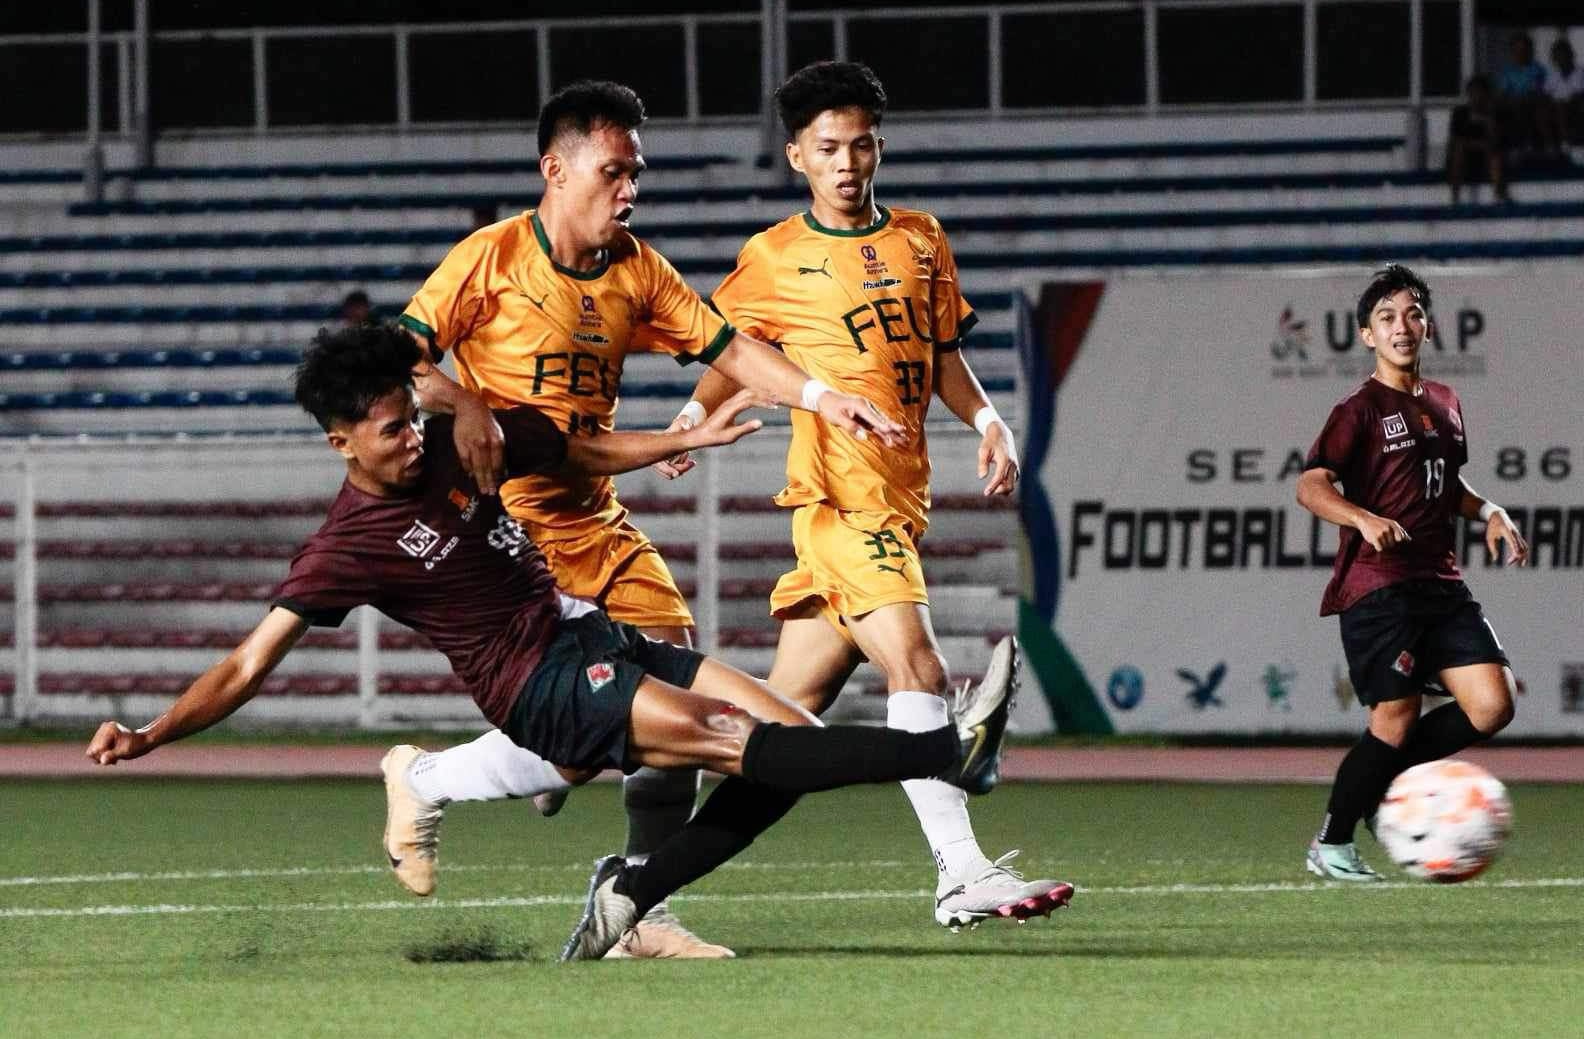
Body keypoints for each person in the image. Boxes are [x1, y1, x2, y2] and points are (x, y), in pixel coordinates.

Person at [85, 322, 1008, 965]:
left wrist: (688, 436)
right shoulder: (344, 546)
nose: (411, 438)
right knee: (735, 737)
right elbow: (248, 664)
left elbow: (577, 453)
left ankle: (630, 896)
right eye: (389, 430)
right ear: (340, 444)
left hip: (584, 630)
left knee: (787, 746)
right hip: (538, 687)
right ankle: (949, 749)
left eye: (411, 417)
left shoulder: (455, 436)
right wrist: (152, 732)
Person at [388, 80, 904, 959]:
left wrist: (823, 397)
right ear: (556, 169)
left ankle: (636, 908)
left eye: (636, 173)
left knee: (663, 722)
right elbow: (400, 366)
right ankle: (425, 777)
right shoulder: (489, 259)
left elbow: (733, 348)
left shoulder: (638, 268)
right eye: (612, 171)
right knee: (607, 735)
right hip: (509, 536)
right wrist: (464, 404)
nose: (629, 189)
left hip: (597, 520)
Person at [660, 60, 1072, 928]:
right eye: (826, 149)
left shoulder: (922, 238)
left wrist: (990, 422)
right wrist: (687, 424)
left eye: (859, 146)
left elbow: (944, 360)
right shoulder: (773, 256)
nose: (846, 163)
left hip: (896, 505)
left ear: (878, 147)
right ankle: (960, 872)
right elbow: (734, 353)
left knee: (770, 739)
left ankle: (633, 886)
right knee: (920, 667)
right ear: (797, 158)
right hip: (841, 506)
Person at [1295, 264, 1528, 882]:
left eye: (1413, 313)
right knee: (1392, 721)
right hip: (1379, 587)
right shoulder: (1358, 410)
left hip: (1441, 584)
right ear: (1367, 335)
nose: (1403, 326)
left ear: (1427, 324)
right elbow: (1311, 485)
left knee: (1492, 704)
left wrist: (1489, 510)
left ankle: (1384, 781)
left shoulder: (1446, 401)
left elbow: (1445, 485)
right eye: (1387, 317)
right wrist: (1362, 517)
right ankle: (1333, 842)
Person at [1446, 75, 1509, 204]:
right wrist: (1479, 144)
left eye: (1480, 93)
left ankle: (1498, 195)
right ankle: (1455, 197)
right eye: (1473, 93)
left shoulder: (1495, 113)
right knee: (1459, 151)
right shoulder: (1460, 113)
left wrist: (1489, 121)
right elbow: (1456, 140)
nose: (1477, 97)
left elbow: (1497, 141)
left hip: (1487, 158)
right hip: (1466, 157)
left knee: (1495, 156)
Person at [1494, 31, 1557, 158]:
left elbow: (1540, 90)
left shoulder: (1538, 69)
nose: (1520, 54)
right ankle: (1511, 147)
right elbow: (1502, 93)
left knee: (1530, 107)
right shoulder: (1507, 71)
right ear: (1512, 51)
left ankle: (1545, 146)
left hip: (1533, 103)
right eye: (1517, 50)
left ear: (1529, 51)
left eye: (1523, 50)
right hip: (1512, 104)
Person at [1546, 37, 1584, 150]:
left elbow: (1579, 99)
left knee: (1562, 108)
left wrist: (1560, 104)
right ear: (1554, 58)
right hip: (1561, 115)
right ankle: (1548, 146)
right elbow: (1546, 98)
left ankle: (1565, 144)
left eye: (1564, 55)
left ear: (1571, 55)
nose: (1562, 59)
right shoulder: (1552, 77)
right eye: (1558, 56)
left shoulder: (1582, 73)